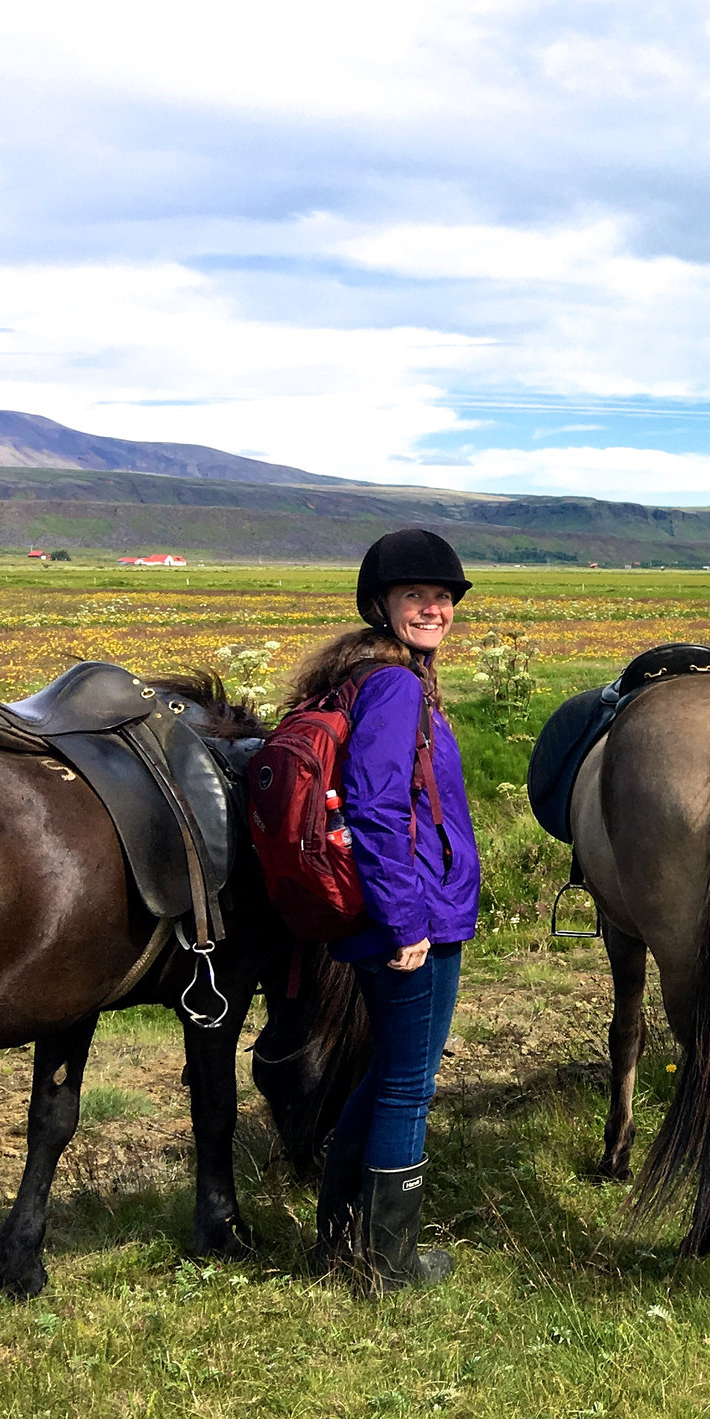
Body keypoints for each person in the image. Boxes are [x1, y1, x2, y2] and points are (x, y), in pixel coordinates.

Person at [285, 528, 481, 1289]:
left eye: (443, 597)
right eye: (415, 596)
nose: (434, 608)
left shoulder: (368, 675)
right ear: (382, 604)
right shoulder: (397, 685)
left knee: (382, 1078)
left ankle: (339, 1243)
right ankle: (388, 1263)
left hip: (397, 911)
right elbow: (371, 804)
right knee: (408, 1085)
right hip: (412, 918)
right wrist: (407, 925)